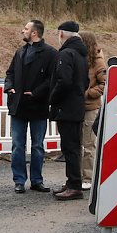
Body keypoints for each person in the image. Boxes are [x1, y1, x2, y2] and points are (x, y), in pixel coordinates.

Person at [4, 19, 57, 194]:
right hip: (18, 105)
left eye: (26, 29)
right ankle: (19, 180)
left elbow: (52, 79)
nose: (22, 31)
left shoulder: (50, 53)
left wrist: (36, 93)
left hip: (38, 105)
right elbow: (10, 72)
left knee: (37, 146)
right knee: (17, 145)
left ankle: (36, 180)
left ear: (34, 33)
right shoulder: (20, 51)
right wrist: (9, 87)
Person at [49, 21, 89, 201]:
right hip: (77, 105)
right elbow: (86, 81)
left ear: (62, 34)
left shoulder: (65, 54)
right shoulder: (81, 55)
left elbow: (63, 81)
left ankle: (74, 185)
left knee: (69, 147)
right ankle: (72, 181)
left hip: (66, 106)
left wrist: (53, 98)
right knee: (72, 146)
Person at [79, 31, 106, 190]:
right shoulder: (82, 59)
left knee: (89, 144)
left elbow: (104, 84)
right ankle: (78, 176)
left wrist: (88, 94)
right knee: (79, 144)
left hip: (91, 108)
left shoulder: (98, 62)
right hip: (78, 107)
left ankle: (88, 177)